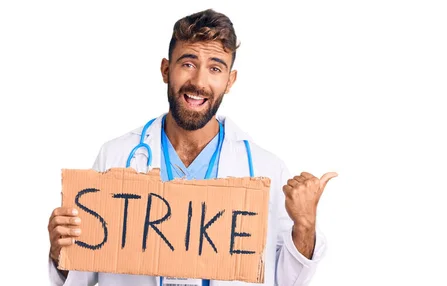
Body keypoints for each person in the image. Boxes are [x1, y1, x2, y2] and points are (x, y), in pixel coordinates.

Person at [47, 9, 336, 286]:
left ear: (229, 81)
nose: (199, 82)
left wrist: (306, 224)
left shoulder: (266, 168)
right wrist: (60, 249)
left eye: (215, 68)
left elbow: (288, 281)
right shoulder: (116, 156)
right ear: (165, 69)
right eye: (188, 64)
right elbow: (81, 274)